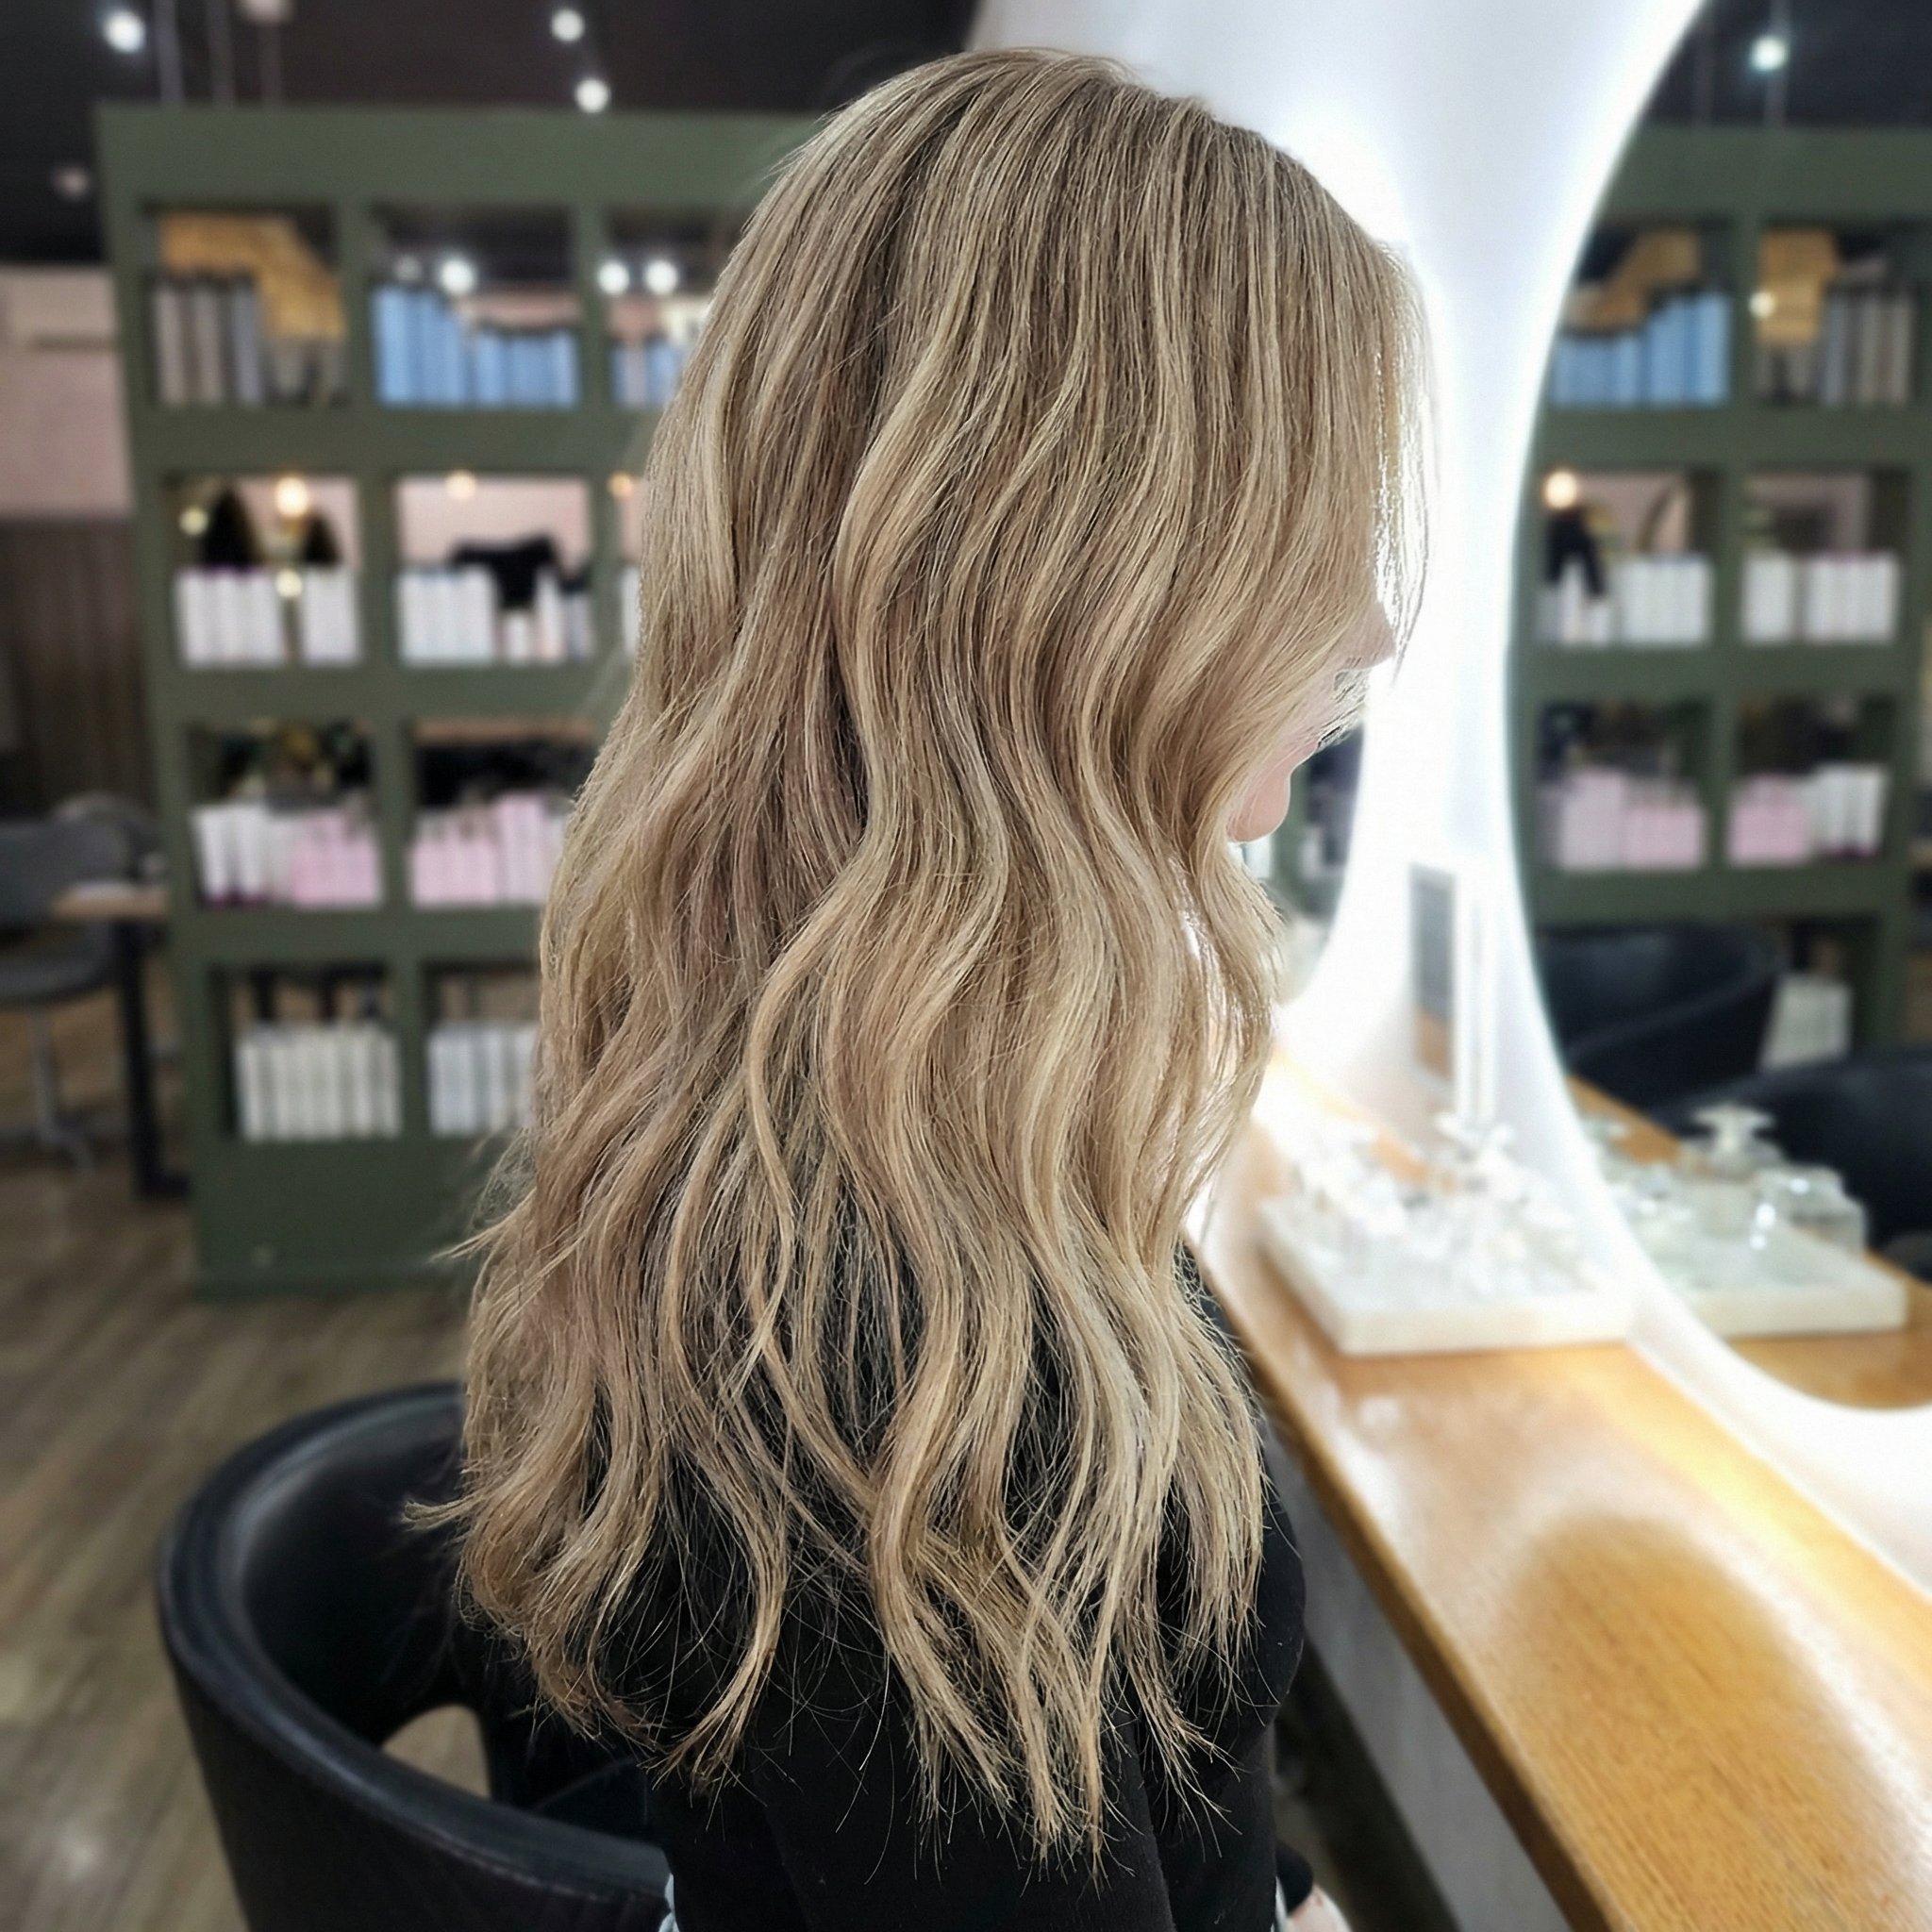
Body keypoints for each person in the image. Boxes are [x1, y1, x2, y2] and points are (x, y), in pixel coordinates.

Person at [447, 47, 1419, 1932]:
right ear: (1077, 573)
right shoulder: (903, 1351)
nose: (1368, 623)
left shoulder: (880, 1148)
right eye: (1302, 532)